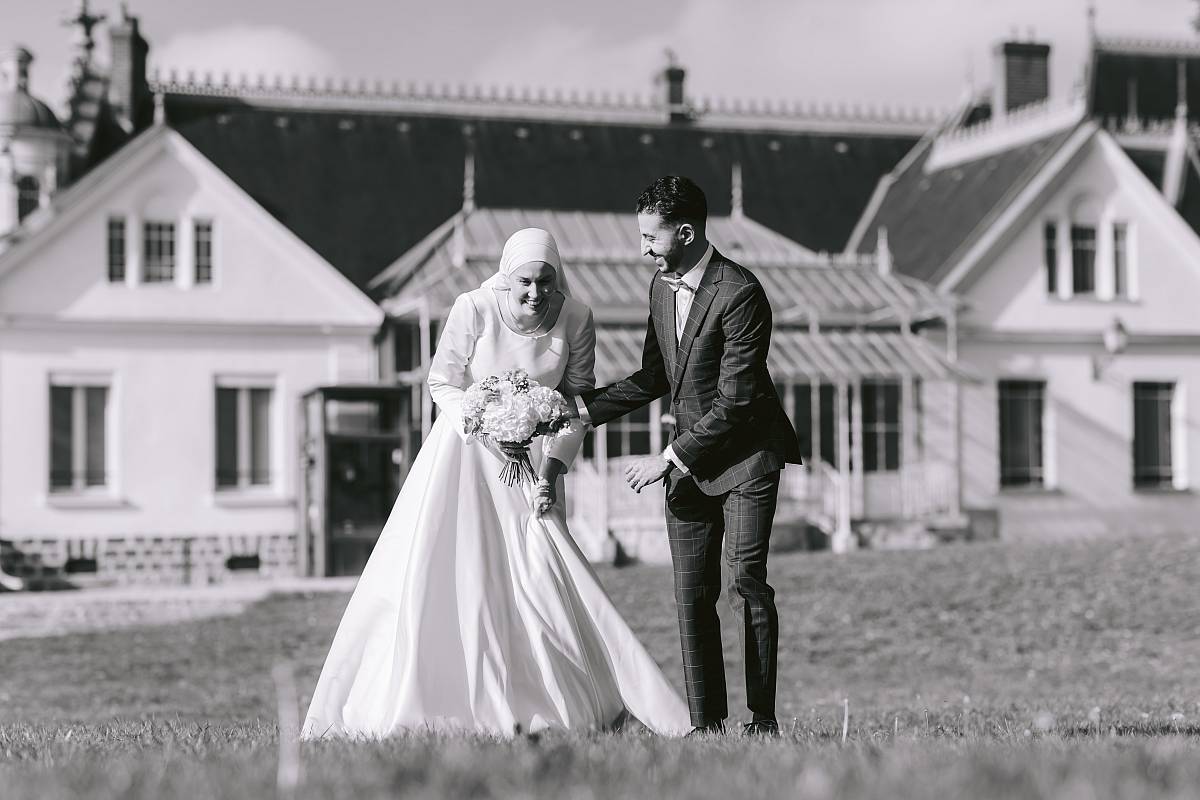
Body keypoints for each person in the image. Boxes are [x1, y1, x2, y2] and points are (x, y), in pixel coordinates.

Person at [302, 228, 690, 738]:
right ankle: (451, 698)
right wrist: (487, 423)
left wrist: (550, 471)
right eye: (525, 282)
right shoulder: (474, 308)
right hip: (465, 457)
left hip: (536, 467)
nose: (535, 293)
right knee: (461, 569)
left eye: (546, 282)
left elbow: (576, 408)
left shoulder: (576, 319)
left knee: (543, 571)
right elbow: (442, 382)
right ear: (506, 279)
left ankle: (565, 697)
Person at [569, 177, 803, 737]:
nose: (643, 248)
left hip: (748, 458)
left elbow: (737, 401)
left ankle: (763, 721)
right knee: (691, 594)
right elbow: (656, 376)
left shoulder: (741, 292)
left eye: (652, 237)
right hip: (688, 465)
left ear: (687, 231)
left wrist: (667, 458)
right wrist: (582, 410)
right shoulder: (658, 286)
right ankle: (707, 727)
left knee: (745, 583)